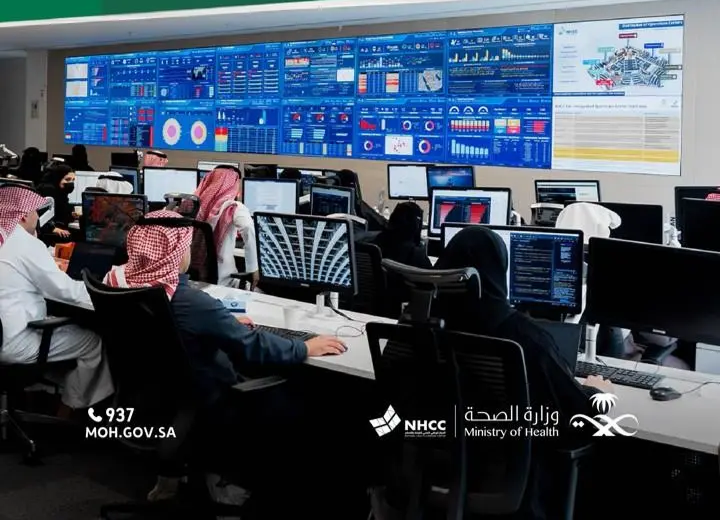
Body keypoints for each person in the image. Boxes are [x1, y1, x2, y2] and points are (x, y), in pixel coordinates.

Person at [102, 211, 347, 505]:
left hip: (148, 397)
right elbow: (252, 346)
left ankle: (175, 473)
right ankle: (233, 481)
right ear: (176, 252)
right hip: (205, 399)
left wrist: (221, 322)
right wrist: (305, 348)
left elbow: (174, 328)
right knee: (305, 396)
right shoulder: (188, 301)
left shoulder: (116, 283)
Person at [433, 226, 611, 519]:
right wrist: (598, 392)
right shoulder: (525, 339)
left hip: (433, 480)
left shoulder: (421, 326)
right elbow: (579, 415)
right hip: (510, 488)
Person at [0, 184, 114, 409]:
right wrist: (104, 293)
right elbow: (64, 291)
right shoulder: (23, 242)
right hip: (13, 342)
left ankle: (40, 389)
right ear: (22, 216)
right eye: (35, 211)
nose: (37, 217)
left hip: (4, 334)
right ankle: (72, 404)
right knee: (93, 342)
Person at [193, 166, 259, 288]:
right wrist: (253, 268)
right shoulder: (233, 207)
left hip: (192, 281)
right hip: (223, 282)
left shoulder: (191, 205)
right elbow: (248, 229)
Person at [370, 202, 431, 317]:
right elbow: (432, 282)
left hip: (369, 309)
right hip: (401, 313)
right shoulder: (415, 253)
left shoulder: (374, 244)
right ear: (416, 226)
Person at [36, 162, 77, 239]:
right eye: (67, 179)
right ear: (57, 178)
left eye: (73, 180)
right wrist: (52, 229)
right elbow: (41, 215)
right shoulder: (48, 191)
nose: (71, 183)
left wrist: (71, 214)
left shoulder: (61, 193)